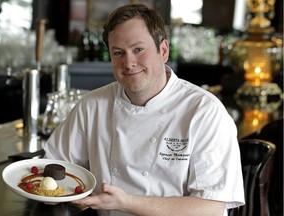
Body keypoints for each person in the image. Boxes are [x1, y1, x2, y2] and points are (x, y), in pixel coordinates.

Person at [44, 3, 245, 216]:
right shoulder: (92, 105)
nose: (129, 63)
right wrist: (47, 193)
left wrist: (127, 202)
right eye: (118, 53)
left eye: (138, 50)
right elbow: (54, 166)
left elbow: (211, 208)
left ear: (164, 50)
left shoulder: (203, 111)